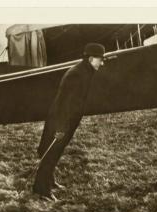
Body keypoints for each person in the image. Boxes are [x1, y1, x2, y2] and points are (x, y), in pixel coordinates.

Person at [33, 43, 105, 201]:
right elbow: (65, 104)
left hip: (65, 120)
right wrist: (61, 127)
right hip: (60, 120)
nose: (102, 63)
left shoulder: (85, 71)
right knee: (50, 153)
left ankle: (49, 182)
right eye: (100, 59)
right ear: (91, 59)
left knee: (56, 153)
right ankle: (41, 189)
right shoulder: (78, 74)